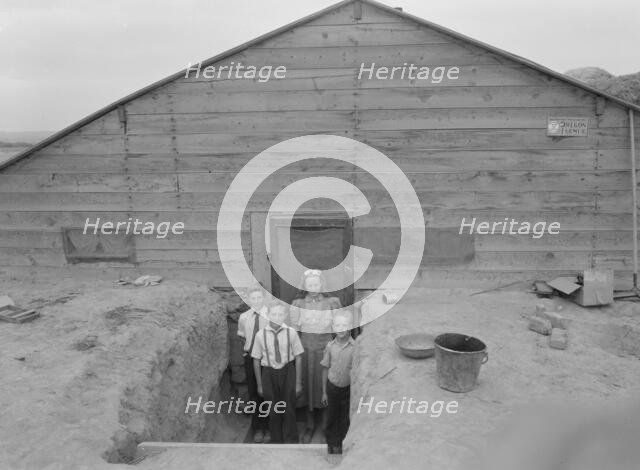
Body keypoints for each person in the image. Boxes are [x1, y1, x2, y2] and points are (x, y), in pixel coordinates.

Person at [289, 269, 341, 443]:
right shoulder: (298, 303)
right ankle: (310, 425)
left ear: (321, 284)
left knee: (326, 385)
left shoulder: (332, 302)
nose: (313, 287)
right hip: (305, 350)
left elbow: (340, 328)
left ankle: (327, 425)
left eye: (316, 284)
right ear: (305, 285)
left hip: (325, 348)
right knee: (308, 385)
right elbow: (294, 331)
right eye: (309, 284)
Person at [252, 300, 304, 444]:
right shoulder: (260, 335)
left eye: (280, 314)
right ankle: (276, 441)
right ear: (268, 315)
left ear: (285, 315)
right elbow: (256, 360)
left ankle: (292, 440)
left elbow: (299, 357)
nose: (277, 317)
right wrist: (259, 384)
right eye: (273, 314)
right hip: (268, 373)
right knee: (273, 410)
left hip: (288, 371)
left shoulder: (291, 333)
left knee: (289, 409)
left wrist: (298, 383)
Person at [237, 286, 270, 443]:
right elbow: (243, 337)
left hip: (268, 360)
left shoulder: (271, 316)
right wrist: (250, 351)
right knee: (255, 395)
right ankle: (258, 428)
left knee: (269, 394)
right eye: (253, 298)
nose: (256, 301)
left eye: (259, 298)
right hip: (251, 359)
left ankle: (270, 427)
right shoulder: (244, 317)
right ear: (248, 300)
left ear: (263, 298)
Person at [321, 312, 355, 454]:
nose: (341, 328)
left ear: (350, 327)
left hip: (348, 389)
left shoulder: (355, 347)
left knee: (345, 418)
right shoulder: (330, 346)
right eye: (338, 325)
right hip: (332, 387)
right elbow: (325, 368)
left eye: (344, 325)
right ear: (333, 327)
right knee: (331, 416)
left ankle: (341, 444)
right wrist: (324, 392)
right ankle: (331, 443)